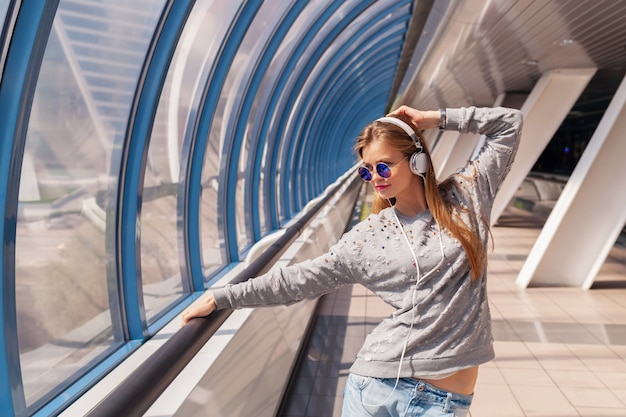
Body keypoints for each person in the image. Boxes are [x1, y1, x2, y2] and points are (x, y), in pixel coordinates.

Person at [182, 105, 523, 416]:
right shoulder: (367, 238)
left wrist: (432, 119)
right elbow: (298, 280)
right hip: (377, 390)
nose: (376, 177)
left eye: (384, 165)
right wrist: (222, 297)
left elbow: (510, 124)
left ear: (417, 160)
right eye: (367, 171)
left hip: (446, 404)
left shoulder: (466, 197)